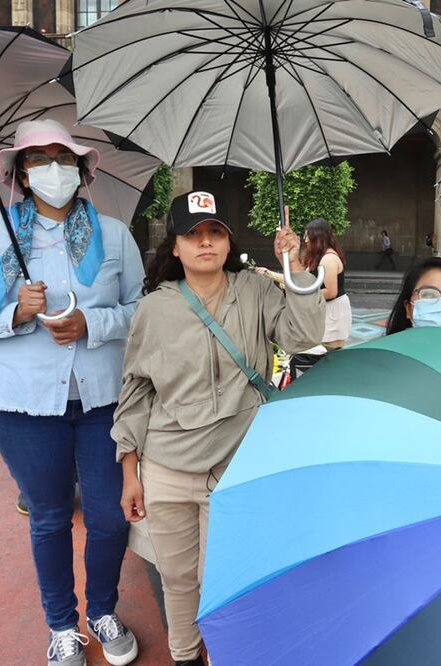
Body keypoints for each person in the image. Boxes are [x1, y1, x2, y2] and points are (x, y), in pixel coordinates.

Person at [0, 119, 143, 666]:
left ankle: (102, 609)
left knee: (108, 517)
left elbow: (141, 311)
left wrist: (91, 325)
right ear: (21, 174)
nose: (52, 168)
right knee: (51, 518)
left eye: (62, 157)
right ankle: (62, 625)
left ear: (82, 170)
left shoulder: (116, 234)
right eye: (37, 159)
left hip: (103, 400)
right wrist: (11, 314)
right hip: (22, 404)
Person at [113, 192, 324, 666]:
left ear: (228, 243)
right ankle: (185, 655)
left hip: (235, 464)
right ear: (176, 247)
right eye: (193, 235)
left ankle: (230, 655)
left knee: (228, 576)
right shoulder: (154, 309)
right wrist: (131, 473)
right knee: (178, 577)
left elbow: (302, 335)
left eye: (214, 233)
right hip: (167, 469)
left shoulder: (256, 291)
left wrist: (295, 269)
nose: (205, 242)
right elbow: (136, 394)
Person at [257, 217, 351, 378]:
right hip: (319, 308)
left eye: (308, 236)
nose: (305, 240)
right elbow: (298, 281)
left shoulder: (328, 259)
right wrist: (269, 274)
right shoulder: (316, 258)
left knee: (329, 355)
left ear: (318, 237)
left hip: (331, 311)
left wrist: (302, 294)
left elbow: (330, 291)